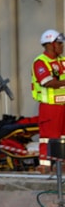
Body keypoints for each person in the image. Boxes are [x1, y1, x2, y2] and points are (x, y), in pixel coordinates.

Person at [32, 29, 65, 172]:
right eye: (59, 43)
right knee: (48, 138)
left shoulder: (62, 61)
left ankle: (62, 164)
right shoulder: (40, 62)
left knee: (63, 137)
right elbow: (47, 82)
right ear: (51, 45)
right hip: (49, 107)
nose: (62, 46)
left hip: (62, 105)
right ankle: (45, 166)